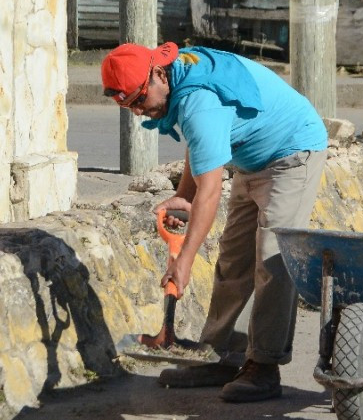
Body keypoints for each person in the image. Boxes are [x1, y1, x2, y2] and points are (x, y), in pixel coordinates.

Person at [101, 42, 328, 403]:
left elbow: (209, 191)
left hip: (292, 153)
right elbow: (200, 144)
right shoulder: (178, 76)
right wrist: (183, 195)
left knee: (272, 259)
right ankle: (223, 356)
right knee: (233, 259)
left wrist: (185, 259)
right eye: (129, 106)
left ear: (158, 75)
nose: (138, 111)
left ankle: (264, 366)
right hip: (252, 159)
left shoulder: (197, 101)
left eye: (139, 100)